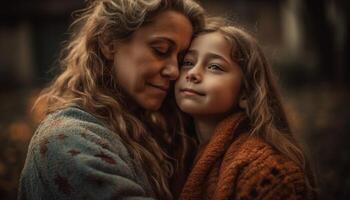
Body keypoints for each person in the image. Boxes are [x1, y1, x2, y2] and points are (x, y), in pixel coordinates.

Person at [18, 0, 204, 199]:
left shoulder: (155, 132)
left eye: (182, 59)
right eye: (160, 50)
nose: (174, 71)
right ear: (108, 43)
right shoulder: (66, 139)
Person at [175, 18, 317, 199]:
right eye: (187, 62)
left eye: (214, 66)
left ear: (245, 94)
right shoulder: (172, 157)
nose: (193, 73)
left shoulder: (269, 174)